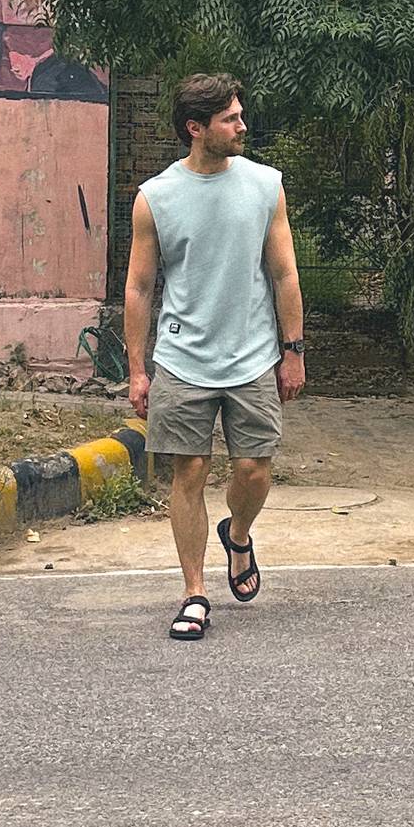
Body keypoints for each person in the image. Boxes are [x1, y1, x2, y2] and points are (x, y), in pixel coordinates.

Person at [125, 74, 305, 641]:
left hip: (253, 356)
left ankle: (239, 535)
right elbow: (139, 288)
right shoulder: (156, 197)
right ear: (196, 128)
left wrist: (293, 351)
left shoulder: (265, 186)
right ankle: (194, 593)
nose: (242, 125)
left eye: (239, 114)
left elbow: (284, 273)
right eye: (230, 118)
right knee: (190, 471)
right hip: (182, 358)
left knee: (254, 470)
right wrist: (137, 369)